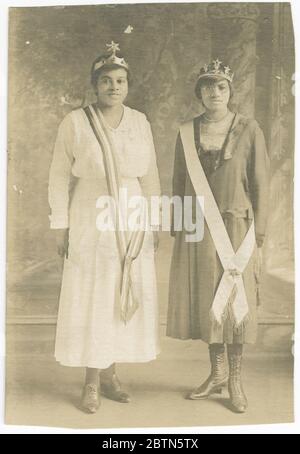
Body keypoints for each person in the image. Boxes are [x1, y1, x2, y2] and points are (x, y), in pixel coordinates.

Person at [48, 41, 161, 413]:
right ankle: (91, 381)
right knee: (92, 296)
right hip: (89, 215)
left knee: (119, 294)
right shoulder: (76, 122)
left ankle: (111, 375)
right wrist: (61, 224)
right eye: (107, 81)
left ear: (128, 85)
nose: (114, 87)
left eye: (121, 81)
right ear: (94, 85)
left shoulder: (140, 121)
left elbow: (150, 177)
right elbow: (59, 175)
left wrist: (154, 220)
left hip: (131, 216)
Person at [167, 59, 270, 413]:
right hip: (199, 229)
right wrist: (178, 226)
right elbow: (180, 182)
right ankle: (218, 373)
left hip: (237, 227)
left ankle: (237, 381)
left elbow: (261, 184)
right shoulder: (185, 131)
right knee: (209, 303)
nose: (215, 92)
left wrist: (262, 233)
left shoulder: (249, 129)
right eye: (208, 86)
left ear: (230, 91)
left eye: (221, 86)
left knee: (235, 302)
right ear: (199, 93)